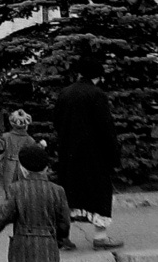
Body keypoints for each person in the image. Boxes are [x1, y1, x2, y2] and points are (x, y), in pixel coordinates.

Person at [54, 55, 123, 251]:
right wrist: (114, 156)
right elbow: (106, 128)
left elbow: (57, 122)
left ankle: (63, 238)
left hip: (68, 153)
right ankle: (100, 238)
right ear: (98, 76)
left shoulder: (65, 93)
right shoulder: (97, 94)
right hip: (94, 155)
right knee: (99, 193)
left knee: (68, 194)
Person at [0, 144, 72, 261]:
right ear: (45, 168)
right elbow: (64, 222)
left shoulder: (16, 189)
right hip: (48, 247)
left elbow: (3, 216)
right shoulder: (57, 191)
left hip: (22, 248)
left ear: (23, 169)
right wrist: (58, 239)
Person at [0, 109, 40, 199]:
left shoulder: (7, 137)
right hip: (24, 168)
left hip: (9, 167)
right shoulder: (29, 140)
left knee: (9, 191)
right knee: (23, 192)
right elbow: (35, 153)